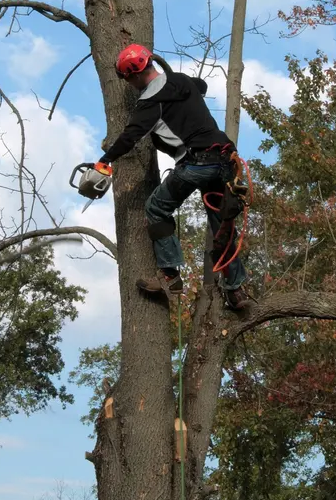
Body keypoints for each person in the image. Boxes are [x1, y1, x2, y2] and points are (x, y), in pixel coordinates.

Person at [96, 43, 251, 310]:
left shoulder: (150, 103)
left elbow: (130, 137)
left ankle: (170, 277)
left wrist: (105, 160)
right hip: (226, 162)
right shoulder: (181, 81)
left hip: (197, 163)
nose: (130, 84)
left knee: (156, 208)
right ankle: (236, 291)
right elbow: (200, 86)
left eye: (129, 79)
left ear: (133, 75)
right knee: (221, 225)